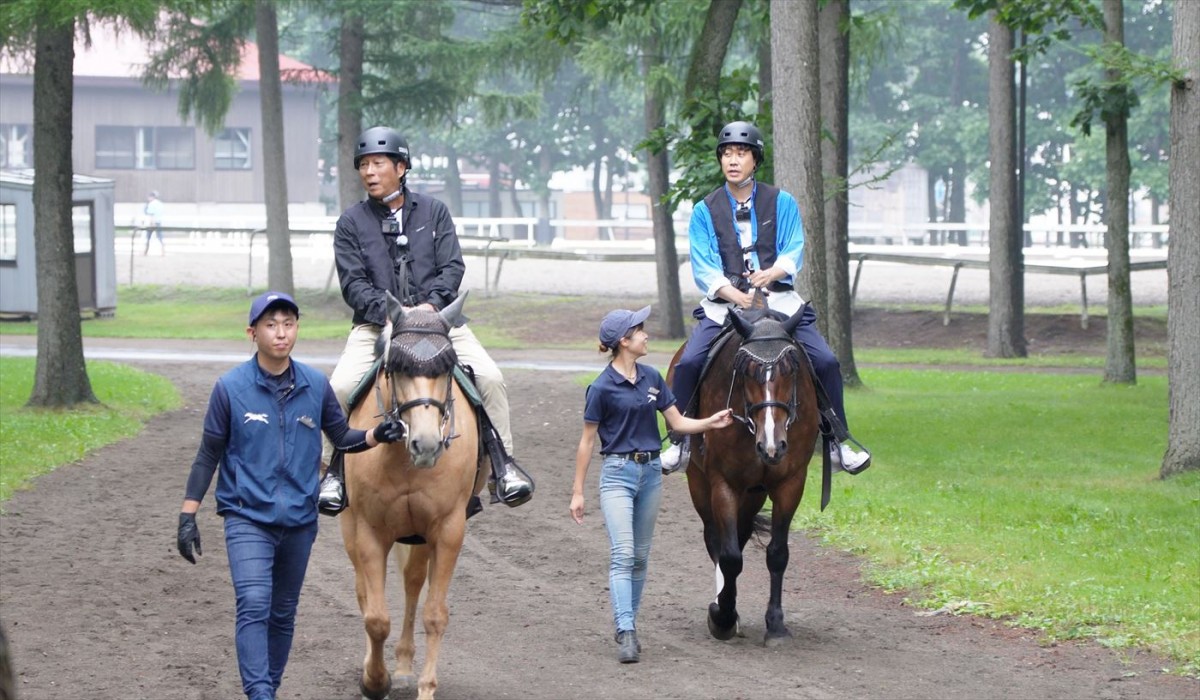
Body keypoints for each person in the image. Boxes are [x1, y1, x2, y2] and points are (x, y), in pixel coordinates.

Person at [175, 291, 404, 700]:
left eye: (288, 324)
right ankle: (260, 695)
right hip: (247, 517)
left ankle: (269, 689)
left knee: (282, 614)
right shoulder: (229, 389)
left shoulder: (315, 385)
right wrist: (187, 515)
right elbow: (208, 453)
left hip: (300, 520)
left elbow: (341, 438)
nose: (281, 333)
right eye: (271, 325)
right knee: (254, 602)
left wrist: (374, 435)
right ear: (252, 333)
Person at [317, 126, 533, 515]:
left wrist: (432, 308)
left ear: (401, 168)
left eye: (377, 163)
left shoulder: (435, 212)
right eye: (363, 165)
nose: (369, 172)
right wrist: (389, 316)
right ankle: (334, 473)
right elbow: (353, 284)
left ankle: (504, 467)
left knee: (490, 378)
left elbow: (452, 267)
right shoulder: (350, 223)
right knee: (339, 386)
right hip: (376, 326)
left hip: (438, 322)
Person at [660, 120, 871, 474]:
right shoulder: (703, 210)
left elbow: (794, 248)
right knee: (689, 363)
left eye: (741, 153)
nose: (732, 159)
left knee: (826, 361)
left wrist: (772, 274)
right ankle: (680, 443)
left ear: (755, 160)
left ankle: (836, 442)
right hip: (727, 306)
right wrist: (735, 296)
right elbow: (703, 265)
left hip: (779, 302)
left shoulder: (783, 202)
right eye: (727, 153)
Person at [570, 306, 733, 664]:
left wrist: (711, 422)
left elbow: (677, 422)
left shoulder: (653, 378)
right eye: (639, 330)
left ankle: (629, 622)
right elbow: (586, 442)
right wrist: (578, 492)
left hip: (650, 474)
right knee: (623, 553)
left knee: (641, 557)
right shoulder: (600, 388)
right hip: (617, 475)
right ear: (623, 341)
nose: (646, 335)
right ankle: (625, 629)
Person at [143, 190, 164, 255]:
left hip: (152, 223)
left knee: (148, 238)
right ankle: (163, 251)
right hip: (159, 222)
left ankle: (145, 251)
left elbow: (151, 214)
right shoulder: (160, 204)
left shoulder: (151, 204)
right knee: (160, 237)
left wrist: (152, 223)